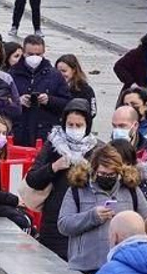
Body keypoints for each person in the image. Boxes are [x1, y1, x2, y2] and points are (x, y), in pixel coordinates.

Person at [57, 144, 147, 274]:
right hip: (86, 267)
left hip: (124, 266)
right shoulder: (77, 189)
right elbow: (63, 224)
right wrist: (92, 216)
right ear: (93, 171)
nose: (107, 177)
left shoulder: (131, 189)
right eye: (102, 174)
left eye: (112, 174)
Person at [26, 100, 101, 259]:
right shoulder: (53, 145)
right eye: (70, 124)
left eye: (79, 125)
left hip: (84, 217)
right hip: (55, 219)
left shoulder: (96, 149)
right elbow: (33, 179)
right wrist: (53, 167)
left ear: (87, 125)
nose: (74, 129)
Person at [10, 33, 71, 146]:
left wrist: (49, 100)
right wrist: (18, 101)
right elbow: (4, 102)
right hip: (19, 132)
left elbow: (67, 103)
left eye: (38, 54)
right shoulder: (12, 74)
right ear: (23, 53)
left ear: (43, 53)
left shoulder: (55, 75)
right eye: (30, 54)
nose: (34, 57)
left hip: (45, 134)